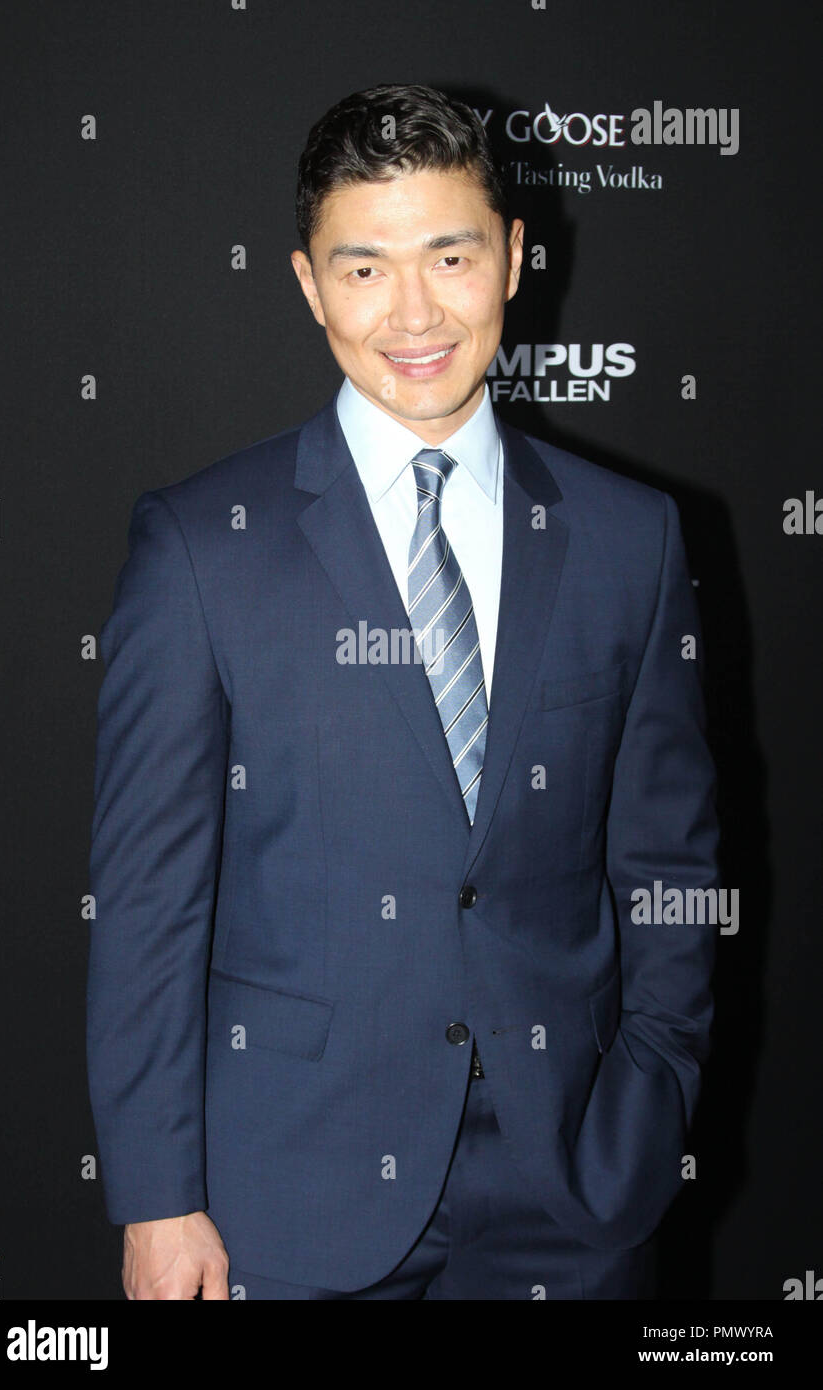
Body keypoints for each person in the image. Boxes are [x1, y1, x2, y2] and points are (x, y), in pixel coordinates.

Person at [86, 83, 720, 1300]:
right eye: (363, 268)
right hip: (285, 1193)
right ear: (308, 282)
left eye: (450, 254)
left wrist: (654, 1089)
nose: (413, 312)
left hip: (571, 1190)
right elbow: (150, 904)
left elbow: (671, 865)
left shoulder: (627, 537)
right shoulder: (203, 545)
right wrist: (158, 1200)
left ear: (515, 259)